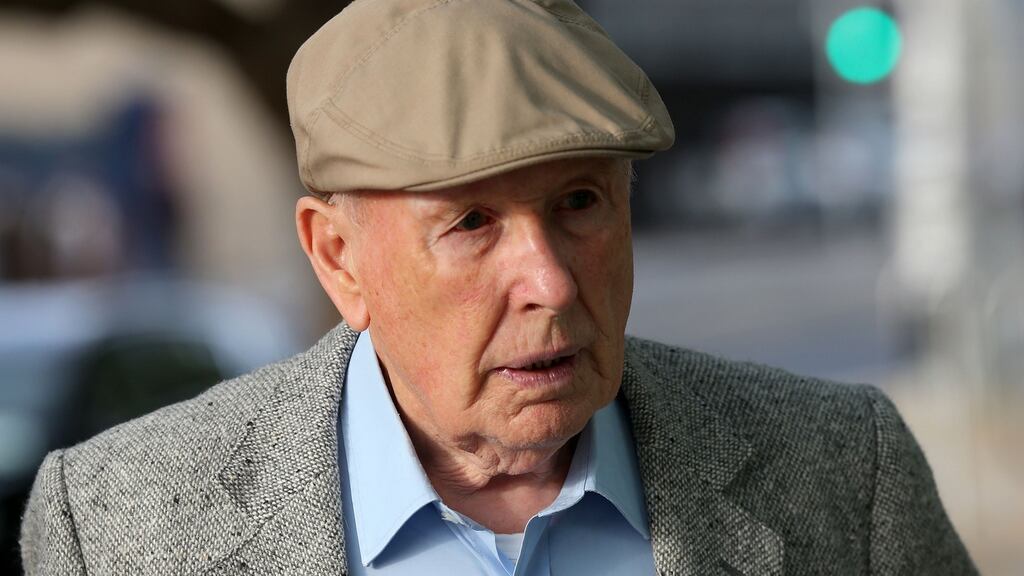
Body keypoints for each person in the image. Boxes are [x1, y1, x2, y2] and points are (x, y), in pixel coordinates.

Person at [21, 1, 977, 574]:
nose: (552, 280)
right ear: (338, 258)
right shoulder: (114, 525)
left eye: (580, 201)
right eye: (472, 223)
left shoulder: (845, 473)